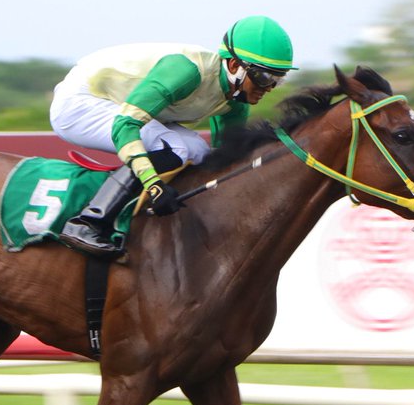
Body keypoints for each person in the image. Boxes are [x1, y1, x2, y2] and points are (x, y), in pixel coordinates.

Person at [50, 15, 296, 257]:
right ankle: (89, 222)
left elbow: (225, 162)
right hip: (81, 103)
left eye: (278, 79)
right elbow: (125, 125)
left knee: (199, 152)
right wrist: (153, 184)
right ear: (234, 66)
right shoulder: (186, 72)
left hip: (120, 106)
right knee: (175, 148)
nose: (269, 88)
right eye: (264, 77)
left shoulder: (235, 100)